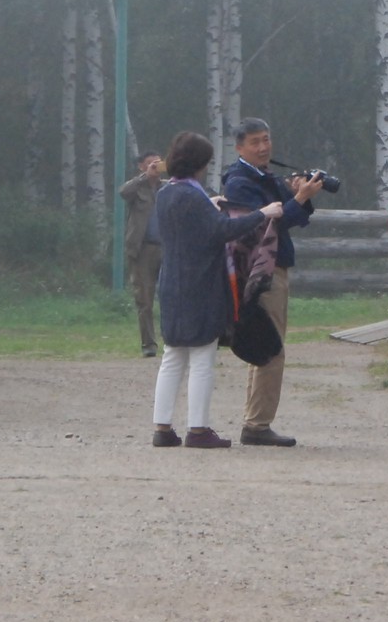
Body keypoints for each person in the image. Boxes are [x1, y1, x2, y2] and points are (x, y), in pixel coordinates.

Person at [150, 131, 284, 449]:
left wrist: (208, 205)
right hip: (199, 284)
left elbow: (190, 223)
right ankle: (198, 429)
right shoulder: (191, 195)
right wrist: (262, 214)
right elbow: (223, 230)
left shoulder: (166, 193)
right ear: (200, 165)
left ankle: (162, 427)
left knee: (172, 356)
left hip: (171, 282)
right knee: (201, 357)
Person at [219, 116, 322, 448]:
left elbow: (298, 218)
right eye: (255, 142)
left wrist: (299, 196)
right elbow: (264, 228)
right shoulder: (239, 183)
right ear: (239, 148)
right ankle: (258, 424)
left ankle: (255, 420)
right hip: (262, 270)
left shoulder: (265, 176)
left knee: (263, 344)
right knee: (271, 347)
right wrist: (298, 199)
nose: (263, 147)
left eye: (266, 139)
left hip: (275, 266)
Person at [120, 152, 168, 358]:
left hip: (167, 248)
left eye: (158, 162)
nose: (155, 166)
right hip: (142, 250)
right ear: (142, 166)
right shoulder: (136, 187)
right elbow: (122, 192)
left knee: (170, 296)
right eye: (150, 164)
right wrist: (145, 177)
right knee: (144, 298)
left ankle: (172, 342)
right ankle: (148, 344)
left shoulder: (168, 187)